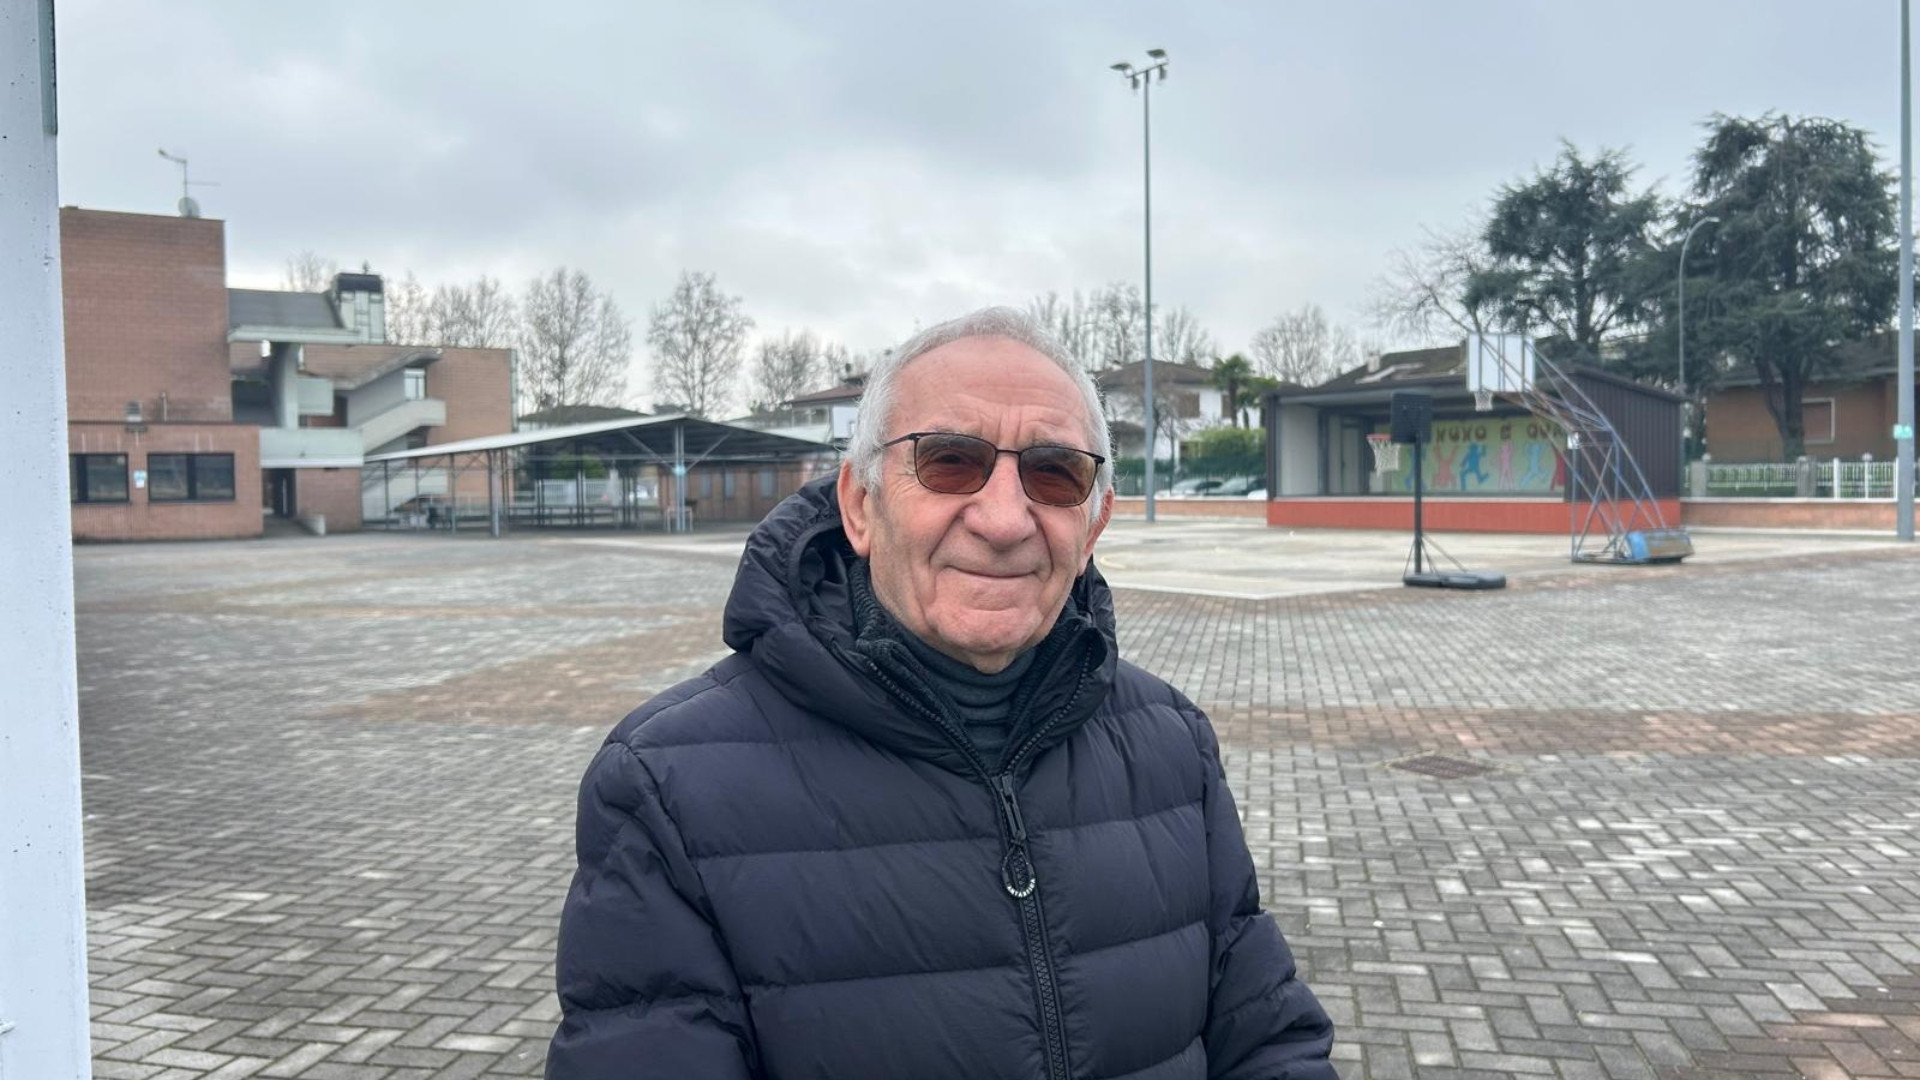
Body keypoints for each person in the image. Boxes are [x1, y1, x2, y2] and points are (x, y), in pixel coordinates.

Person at [547, 307, 1336, 1080]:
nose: (1002, 519)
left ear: (1092, 526)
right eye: (949, 460)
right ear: (861, 504)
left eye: (1054, 473)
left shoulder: (1172, 744)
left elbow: (1266, 1035)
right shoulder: (666, 786)